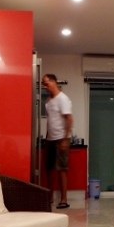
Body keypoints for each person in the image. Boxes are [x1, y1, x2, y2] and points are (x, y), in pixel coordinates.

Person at [42, 73, 73, 208]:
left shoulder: (63, 99)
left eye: (46, 83)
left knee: (62, 169)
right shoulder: (48, 101)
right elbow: (51, 121)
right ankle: (49, 198)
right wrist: (47, 137)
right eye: (43, 84)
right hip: (50, 139)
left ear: (54, 82)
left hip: (61, 138)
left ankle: (63, 199)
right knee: (49, 169)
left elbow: (69, 119)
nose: (45, 86)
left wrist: (65, 139)